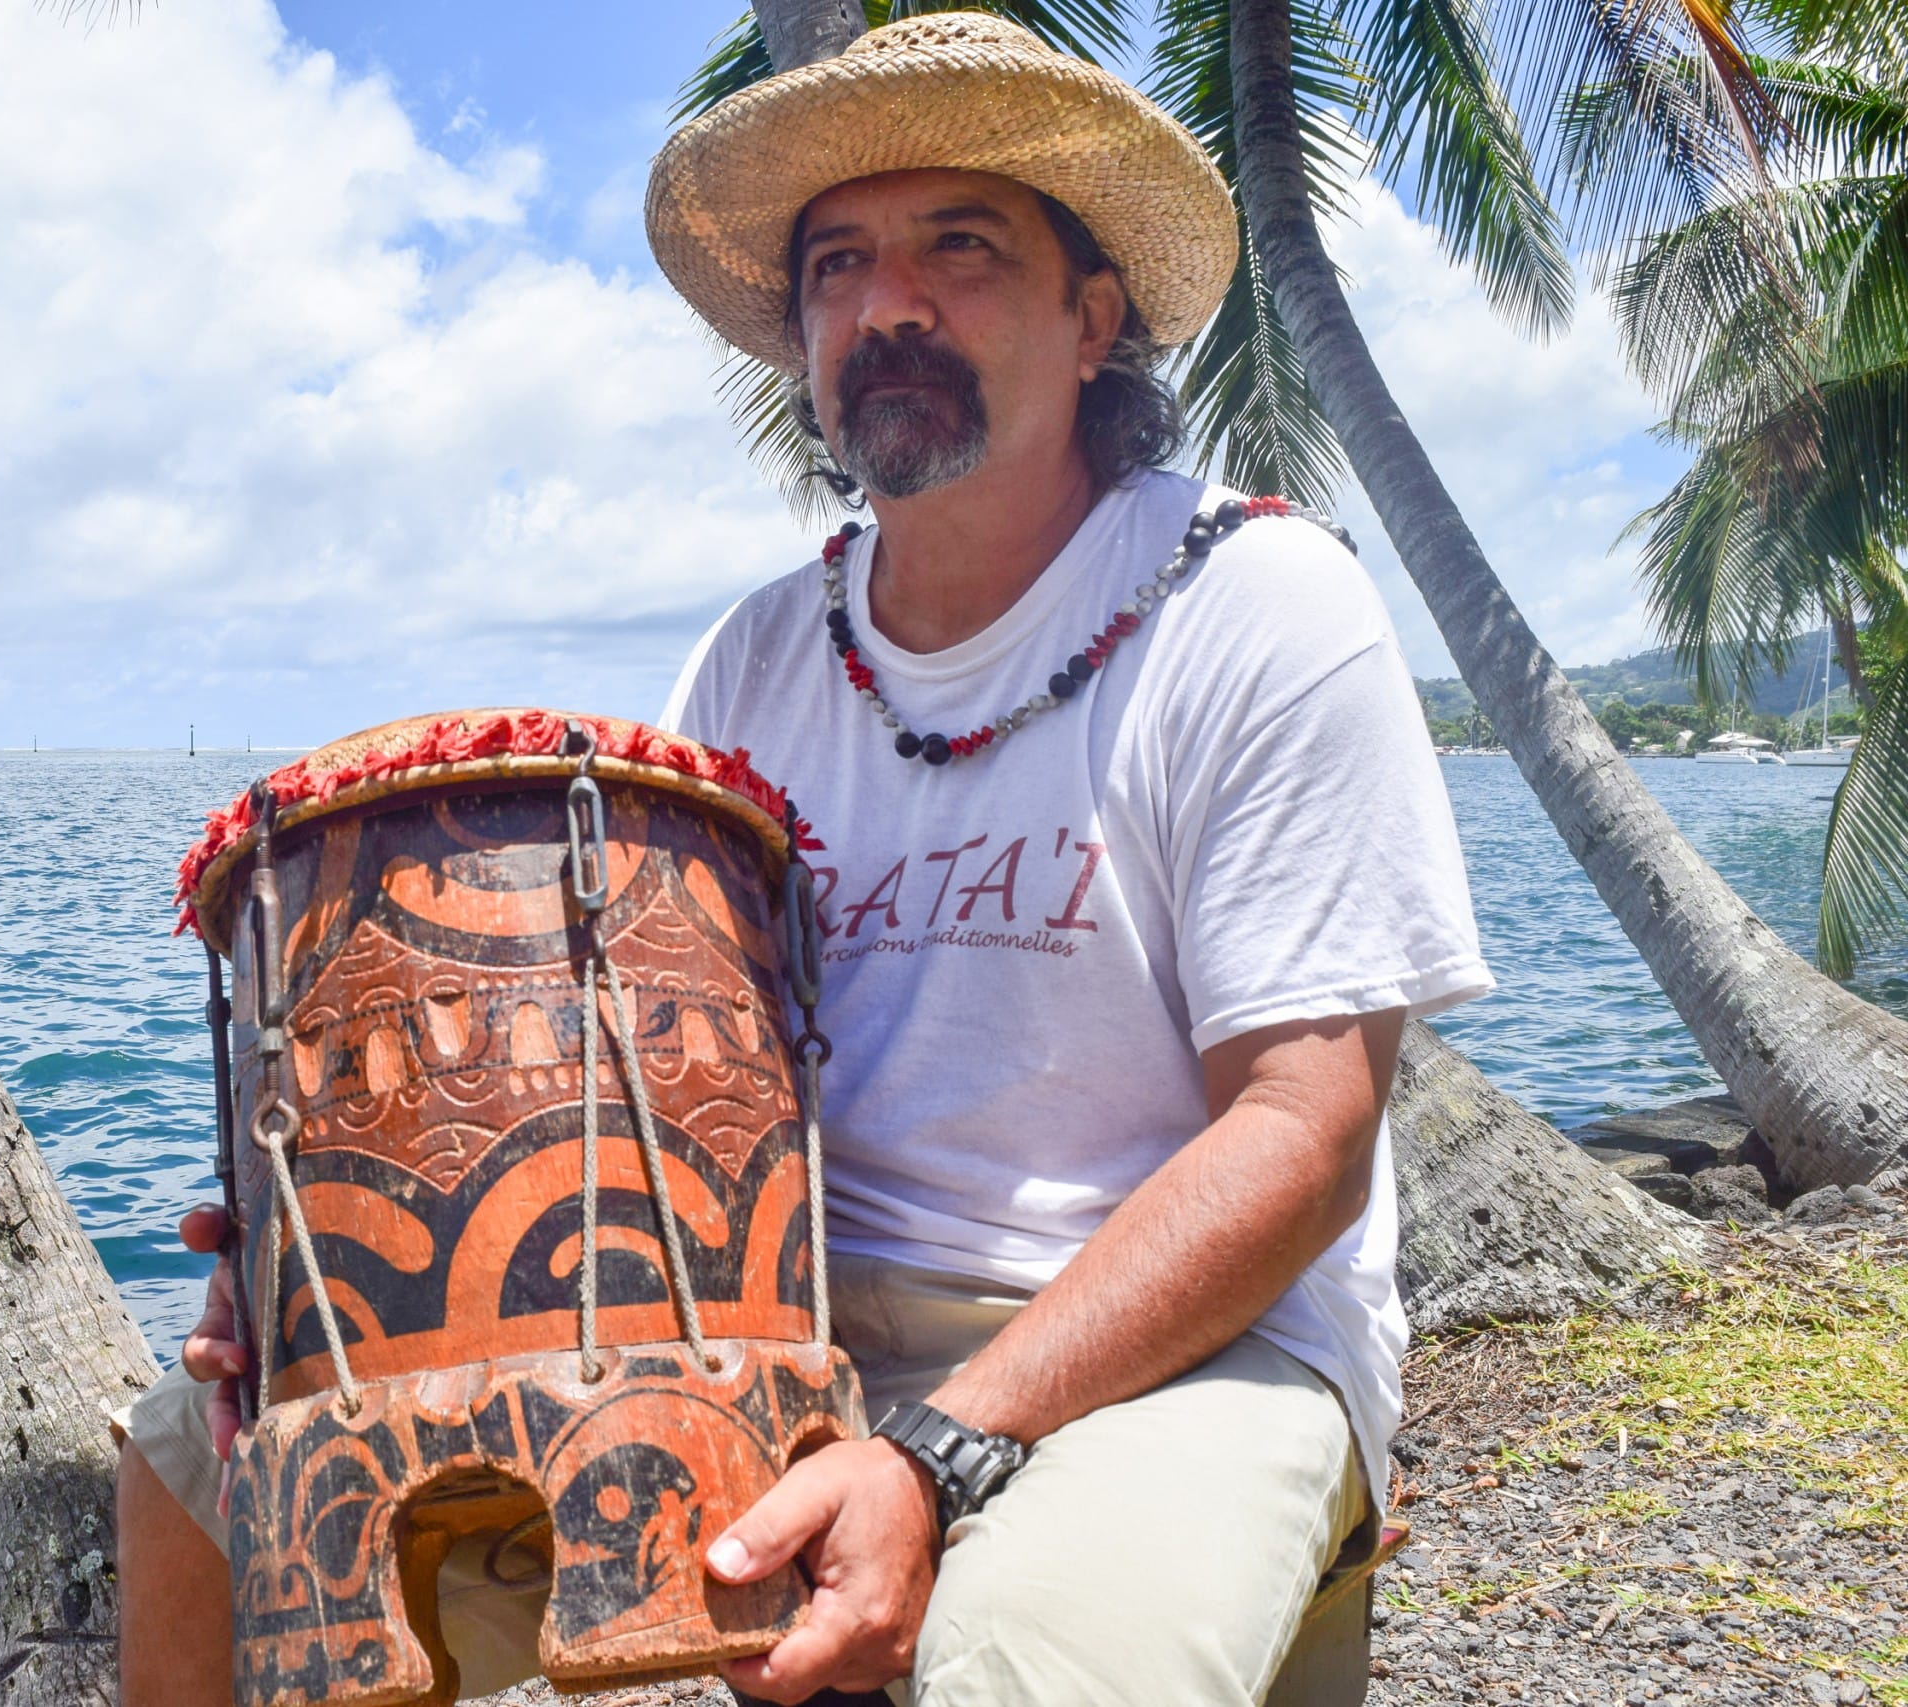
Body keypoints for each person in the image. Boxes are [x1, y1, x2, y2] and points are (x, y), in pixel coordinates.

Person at [115, 13, 1489, 1705]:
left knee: (1018, 1662)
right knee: (200, 1460)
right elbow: (640, 1093)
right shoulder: (759, 661)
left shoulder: (1261, 604)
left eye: (960, 247)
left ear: (1094, 317)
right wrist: (336, 1249)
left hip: (1195, 1344)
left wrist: (938, 1451)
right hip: (791, 1316)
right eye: (838, 265)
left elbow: (1304, 1134)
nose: (885, 305)